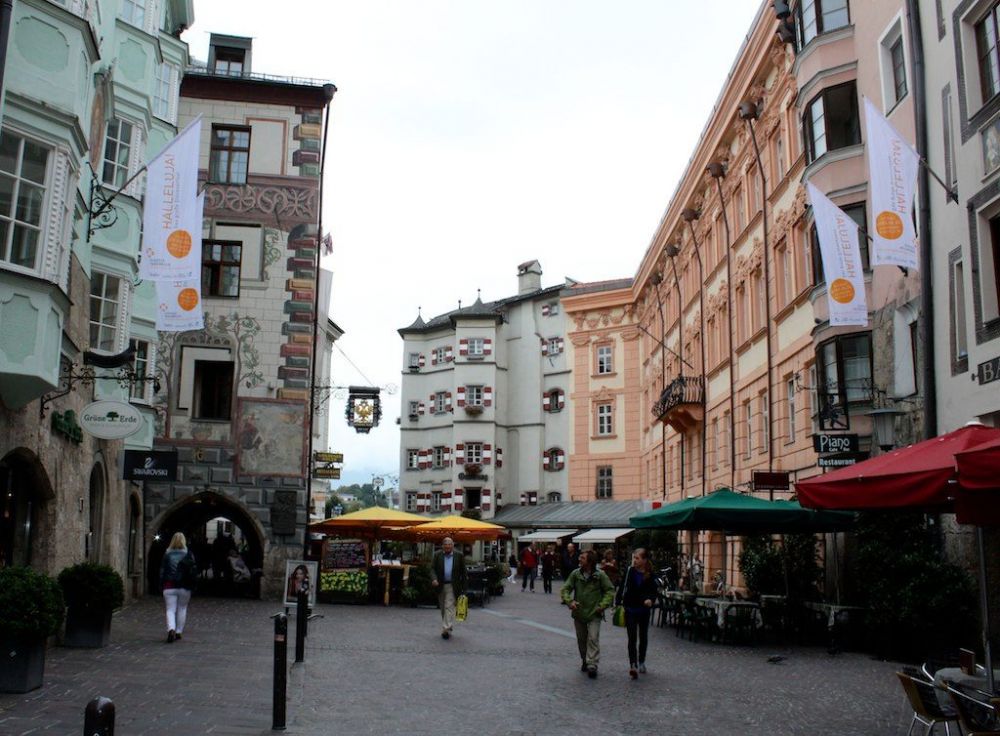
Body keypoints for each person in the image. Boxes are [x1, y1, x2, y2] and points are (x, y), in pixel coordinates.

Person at [561, 549, 615, 679]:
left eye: (582, 558)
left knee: (593, 638)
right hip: (579, 613)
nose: (579, 559)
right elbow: (565, 589)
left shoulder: (600, 575)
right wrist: (570, 602)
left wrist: (602, 605)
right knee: (581, 640)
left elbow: (610, 591)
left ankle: (592, 664)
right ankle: (585, 660)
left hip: (594, 613)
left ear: (590, 561)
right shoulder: (575, 574)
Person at [616, 548, 659, 679]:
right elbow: (622, 587)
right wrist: (618, 602)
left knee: (643, 636)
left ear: (644, 560)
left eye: (637, 558)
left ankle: (642, 661)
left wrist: (650, 600)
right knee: (632, 637)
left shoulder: (650, 575)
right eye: (634, 558)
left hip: (644, 610)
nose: (634, 561)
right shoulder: (630, 571)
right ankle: (633, 664)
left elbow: (653, 591)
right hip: (630, 608)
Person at [160, 532, 197, 643]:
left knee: (170, 610)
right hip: (184, 586)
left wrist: (160, 584)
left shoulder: (167, 554)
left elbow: (162, 571)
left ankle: (171, 628)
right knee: (182, 608)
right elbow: (193, 571)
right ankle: (178, 631)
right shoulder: (189, 554)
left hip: (169, 585)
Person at [430, 537, 467, 639]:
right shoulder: (437, 555)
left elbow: (464, 573)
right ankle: (448, 625)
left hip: (453, 585)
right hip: (440, 585)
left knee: (448, 607)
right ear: (442, 546)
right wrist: (434, 579)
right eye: (445, 545)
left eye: (449, 544)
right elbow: (432, 569)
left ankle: (445, 629)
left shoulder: (459, 555)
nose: (447, 546)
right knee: (443, 608)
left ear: (452, 545)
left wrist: (464, 589)